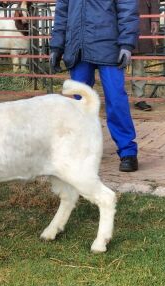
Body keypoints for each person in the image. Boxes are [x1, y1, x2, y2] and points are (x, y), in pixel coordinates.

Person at [49, 0, 139, 172]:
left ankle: (128, 152)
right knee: (80, 104)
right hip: (78, 48)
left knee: (116, 99)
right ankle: (83, 149)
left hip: (109, 46)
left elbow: (127, 9)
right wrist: (56, 46)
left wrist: (127, 44)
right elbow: (62, 14)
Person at [132, 0, 160, 111]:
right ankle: (115, 99)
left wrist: (155, 19)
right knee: (114, 66)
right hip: (116, 25)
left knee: (138, 64)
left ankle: (139, 98)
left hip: (141, 22)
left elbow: (154, 2)